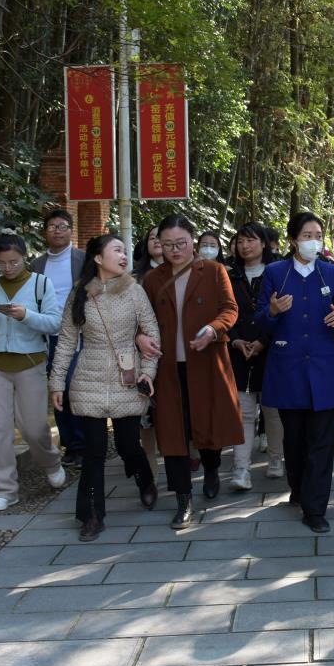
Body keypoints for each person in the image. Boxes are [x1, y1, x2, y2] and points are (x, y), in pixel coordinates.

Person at [49, 234, 159, 542]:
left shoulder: (135, 291)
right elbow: (67, 341)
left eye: (125, 251)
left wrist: (148, 372)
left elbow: (151, 332)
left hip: (128, 373)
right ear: (98, 258)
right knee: (94, 452)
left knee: (127, 444)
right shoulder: (79, 294)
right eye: (117, 251)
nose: (124, 256)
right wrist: (57, 382)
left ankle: (144, 479)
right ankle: (92, 515)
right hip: (89, 377)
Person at [256, 211, 334, 533]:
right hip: (287, 369)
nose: (313, 241)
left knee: (321, 442)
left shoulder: (333, 273)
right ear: (293, 240)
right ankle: (298, 488)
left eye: (318, 235)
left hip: (324, 368)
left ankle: (316, 509)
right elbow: (259, 320)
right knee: (295, 440)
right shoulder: (275, 273)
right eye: (307, 235)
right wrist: (272, 311)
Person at [143, 215, 244, 526]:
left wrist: (213, 330)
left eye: (181, 243)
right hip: (167, 368)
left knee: (208, 423)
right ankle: (182, 499)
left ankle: (212, 468)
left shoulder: (213, 271)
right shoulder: (152, 279)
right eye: (168, 244)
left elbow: (230, 309)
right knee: (173, 431)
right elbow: (141, 319)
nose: (175, 250)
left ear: (192, 241)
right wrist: (140, 336)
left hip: (207, 363)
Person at [0, 230, 65, 512]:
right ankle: (5, 489)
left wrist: (26, 315)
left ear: (25, 258)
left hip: (30, 365)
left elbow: (55, 324)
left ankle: (51, 461)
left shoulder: (40, 284)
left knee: (33, 427)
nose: (8, 268)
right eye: (2, 263)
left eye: (14, 262)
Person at [228, 222, 283, 483]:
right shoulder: (229, 276)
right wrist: (236, 341)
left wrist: (262, 341)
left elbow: (283, 313)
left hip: (271, 353)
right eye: (240, 241)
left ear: (263, 243)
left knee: (272, 410)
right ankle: (241, 469)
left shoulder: (277, 274)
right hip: (239, 354)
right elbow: (225, 313)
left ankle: (275, 458)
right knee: (244, 412)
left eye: (250, 240)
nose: (245, 246)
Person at [32, 209, 87, 466]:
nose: (57, 230)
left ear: (71, 230)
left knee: (72, 384)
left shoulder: (83, 260)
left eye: (62, 226)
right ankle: (72, 445)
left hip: (79, 332)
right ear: (45, 232)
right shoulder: (37, 265)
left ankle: (82, 442)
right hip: (50, 334)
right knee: (58, 388)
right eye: (52, 226)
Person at [132, 224, 164, 485]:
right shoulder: (134, 277)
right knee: (146, 414)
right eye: (151, 237)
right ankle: (150, 469)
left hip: (175, 349)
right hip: (143, 352)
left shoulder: (186, 271)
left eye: (160, 237)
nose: (156, 241)